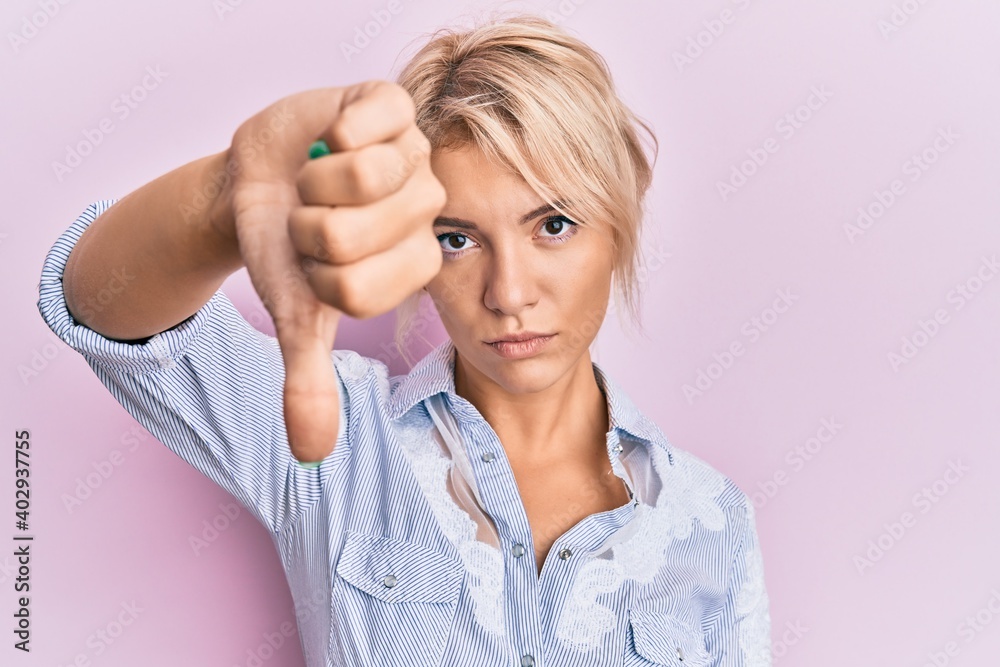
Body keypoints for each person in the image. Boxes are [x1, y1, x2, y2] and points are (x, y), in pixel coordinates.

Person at [36, 12, 772, 667]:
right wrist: (228, 196)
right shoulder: (338, 441)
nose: (508, 292)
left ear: (622, 209)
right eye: (457, 238)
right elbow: (99, 306)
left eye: (554, 225)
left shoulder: (712, 520)